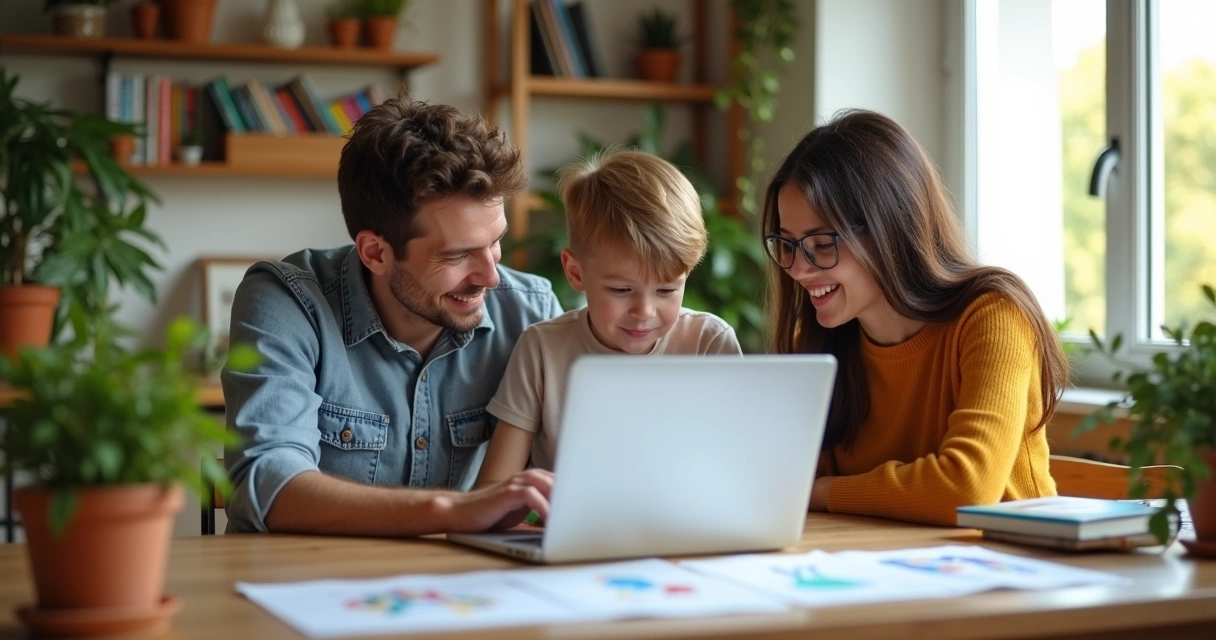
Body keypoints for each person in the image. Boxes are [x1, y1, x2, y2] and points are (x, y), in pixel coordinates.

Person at [221, 97, 563, 536]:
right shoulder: (287, 301)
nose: (491, 277)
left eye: (495, 241)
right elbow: (266, 483)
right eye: (458, 255)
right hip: (307, 582)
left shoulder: (530, 310)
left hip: (463, 590)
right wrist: (453, 510)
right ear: (375, 253)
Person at [762, 109, 1066, 526]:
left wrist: (822, 492)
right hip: (883, 567)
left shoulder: (994, 318)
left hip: (1014, 571)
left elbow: (966, 488)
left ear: (889, 228)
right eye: (788, 244)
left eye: (820, 242)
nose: (798, 268)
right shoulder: (817, 346)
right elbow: (779, 484)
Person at [473, 150, 741, 486]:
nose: (644, 312)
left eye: (666, 290)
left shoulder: (709, 343)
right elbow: (493, 490)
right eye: (621, 290)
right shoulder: (543, 349)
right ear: (575, 271)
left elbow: (736, 472)